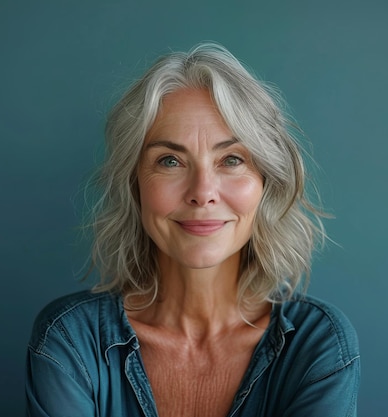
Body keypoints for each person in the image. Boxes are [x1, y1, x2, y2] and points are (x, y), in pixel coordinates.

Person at [25, 42, 360, 417]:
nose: (202, 193)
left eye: (231, 159)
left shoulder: (318, 343)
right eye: (170, 161)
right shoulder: (72, 340)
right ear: (134, 184)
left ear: (267, 181)